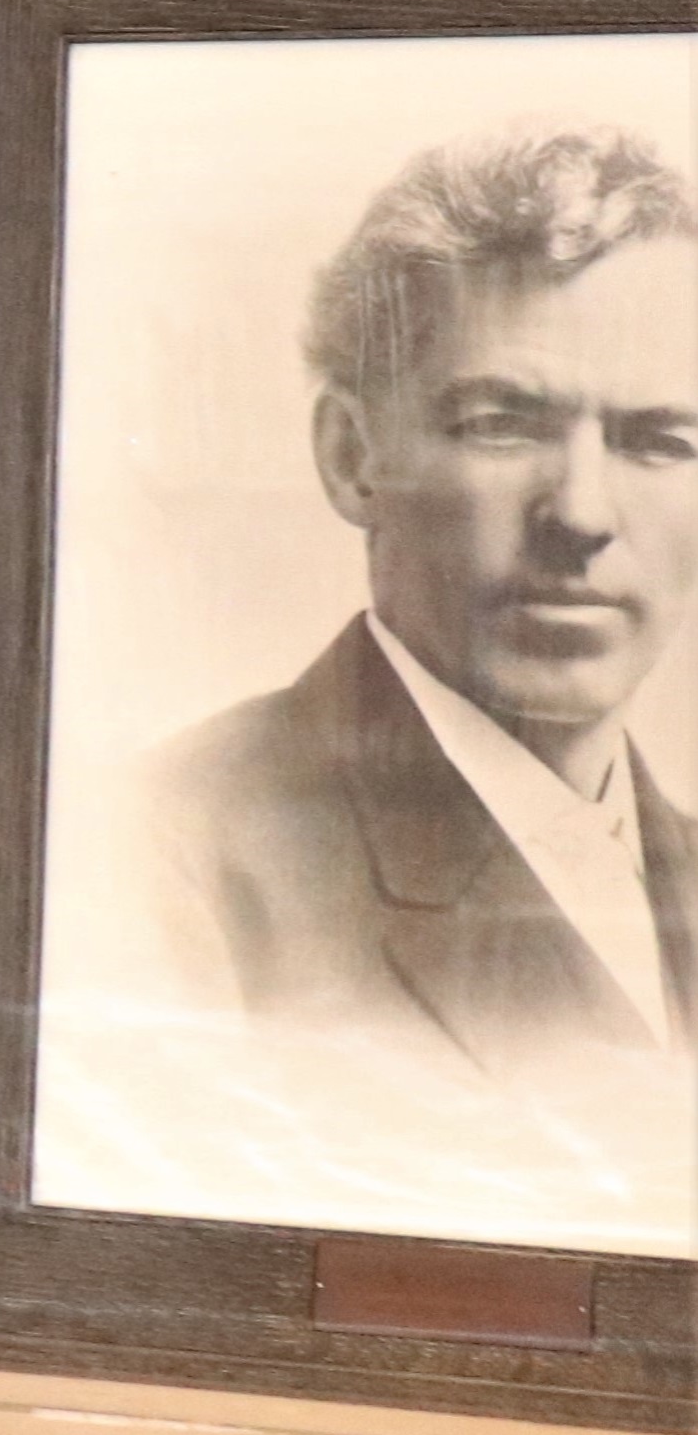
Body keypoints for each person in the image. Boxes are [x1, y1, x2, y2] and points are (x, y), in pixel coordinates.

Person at [141, 124, 697, 1071]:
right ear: (353, 457)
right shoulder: (165, 865)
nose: (584, 512)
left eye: (662, 441)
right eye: (502, 425)